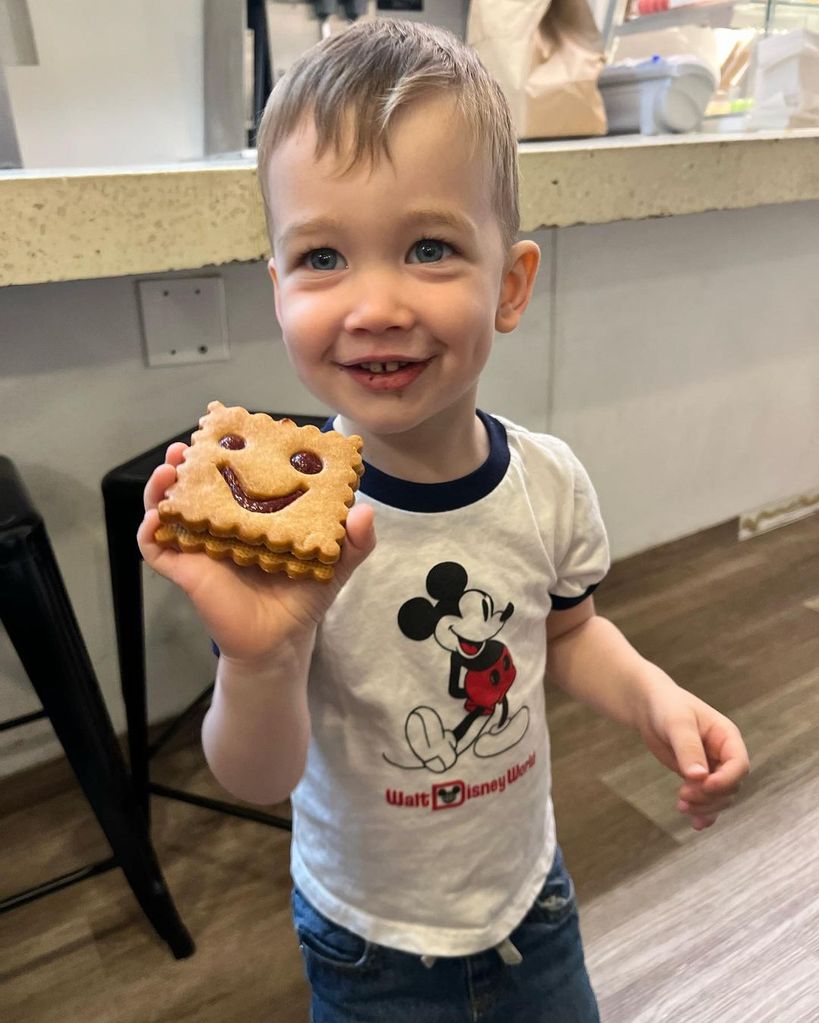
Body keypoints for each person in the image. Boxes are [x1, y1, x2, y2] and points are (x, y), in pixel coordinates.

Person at [138, 18, 749, 1023]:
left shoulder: (547, 485)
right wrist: (261, 661)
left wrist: (651, 698)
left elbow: (569, 631)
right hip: (368, 940)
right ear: (278, 290)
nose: (375, 305)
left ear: (509, 285)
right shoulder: (283, 527)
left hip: (529, 903)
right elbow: (258, 774)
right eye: (324, 256)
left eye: (428, 248)